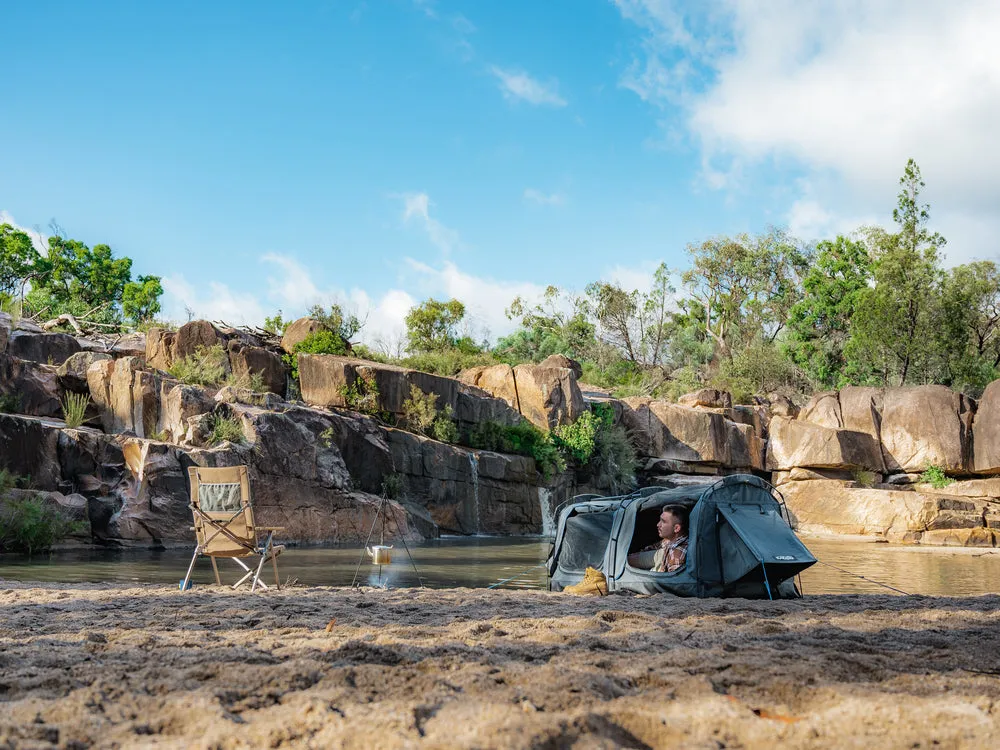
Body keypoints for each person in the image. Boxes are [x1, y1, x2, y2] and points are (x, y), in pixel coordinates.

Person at [627, 505, 689, 573]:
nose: (658, 524)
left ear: (676, 528)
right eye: (660, 520)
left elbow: (672, 581)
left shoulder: (677, 555)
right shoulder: (669, 539)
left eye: (663, 521)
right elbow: (651, 548)